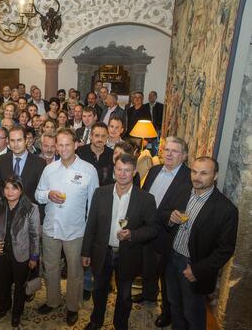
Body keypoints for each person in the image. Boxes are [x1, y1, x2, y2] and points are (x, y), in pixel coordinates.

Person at [81, 154, 157, 330]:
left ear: (134, 172)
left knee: (124, 296)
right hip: (102, 252)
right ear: (114, 171)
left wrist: (132, 234)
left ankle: (120, 324)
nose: (123, 174)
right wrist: (85, 252)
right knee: (99, 290)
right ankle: (96, 321)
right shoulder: (101, 193)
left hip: (128, 254)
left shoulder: (146, 198)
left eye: (127, 170)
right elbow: (91, 224)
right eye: (119, 169)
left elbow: (153, 229)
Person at [35, 128, 99, 326]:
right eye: (59, 145)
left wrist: (90, 235)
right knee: (51, 268)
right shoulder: (49, 169)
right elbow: (38, 194)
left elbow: (94, 206)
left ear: (76, 144)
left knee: (75, 272)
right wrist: (48, 195)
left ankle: (72, 306)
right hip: (51, 229)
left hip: (76, 231)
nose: (63, 149)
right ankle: (53, 301)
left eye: (67, 144)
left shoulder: (89, 170)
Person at [165, 157, 238, 330]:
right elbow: (165, 212)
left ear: (215, 176)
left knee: (193, 314)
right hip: (171, 259)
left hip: (193, 266)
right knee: (174, 304)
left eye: (204, 173)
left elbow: (225, 249)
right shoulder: (183, 191)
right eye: (194, 171)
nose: (197, 177)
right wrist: (170, 217)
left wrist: (198, 269)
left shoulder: (226, 209)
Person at [136, 136, 192, 328]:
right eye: (166, 149)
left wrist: (159, 215)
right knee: (147, 265)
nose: (168, 154)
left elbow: (181, 209)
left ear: (184, 156)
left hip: (167, 234)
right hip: (146, 229)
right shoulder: (154, 170)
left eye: (174, 151)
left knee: (166, 277)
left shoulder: (188, 178)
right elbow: (142, 195)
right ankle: (148, 294)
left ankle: (167, 312)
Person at [0, 176, 40, 327]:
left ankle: (17, 312)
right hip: (2, 252)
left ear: (21, 190)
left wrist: (34, 257)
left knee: (20, 286)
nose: (10, 192)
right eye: (7, 188)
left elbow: (35, 235)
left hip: (22, 254)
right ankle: (4, 306)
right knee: (3, 283)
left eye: (14, 188)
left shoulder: (31, 208)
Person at [0, 126, 46, 206]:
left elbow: (40, 191)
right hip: (6, 210)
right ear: (8, 142)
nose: (16, 144)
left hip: (28, 211)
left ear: (26, 140)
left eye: (19, 140)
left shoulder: (39, 163)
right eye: (12, 141)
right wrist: (8, 195)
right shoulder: (1, 160)